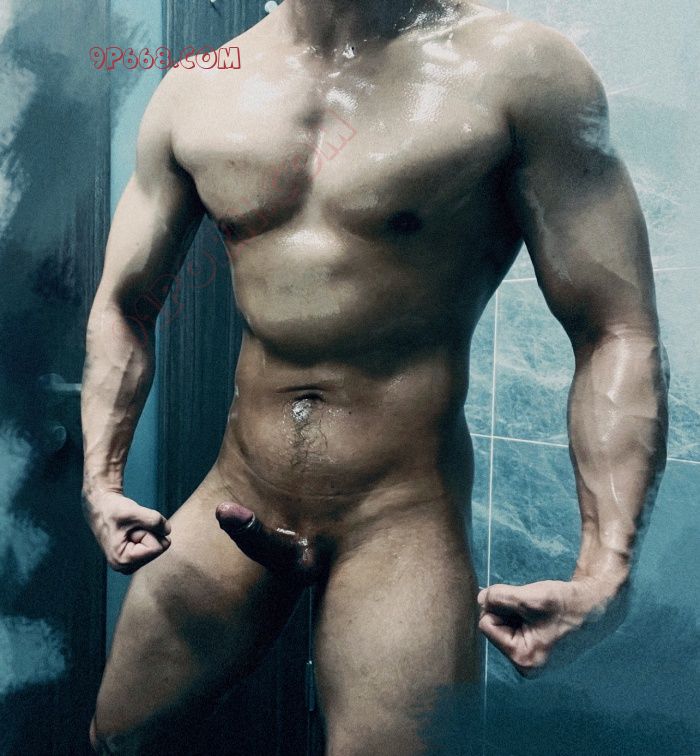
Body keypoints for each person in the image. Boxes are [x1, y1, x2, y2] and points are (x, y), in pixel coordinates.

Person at [80, 0, 669, 753]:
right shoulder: (198, 88)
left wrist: (606, 568)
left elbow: (616, 327)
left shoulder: (521, 71)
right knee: (115, 739)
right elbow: (123, 305)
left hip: (399, 519)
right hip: (238, 490)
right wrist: (101, 480)